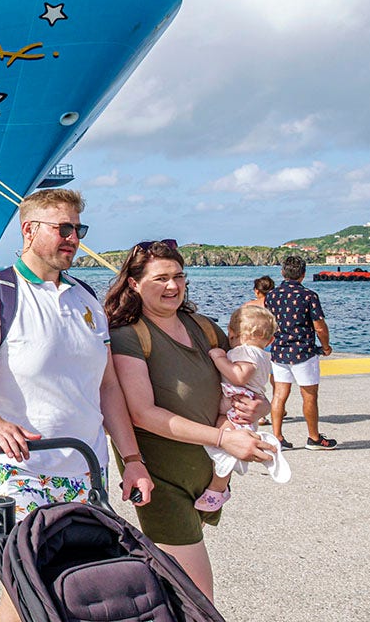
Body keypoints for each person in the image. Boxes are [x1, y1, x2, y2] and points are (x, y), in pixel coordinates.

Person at [0, 190, 152, 622]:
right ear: (29, 230)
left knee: (74, 581)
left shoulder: (86, 299)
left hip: (83, 468)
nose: (73, 238)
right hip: (15, 469)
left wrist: (132, 460)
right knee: (28, 581)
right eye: (63, 228)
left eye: (78, 229)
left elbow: (108, 387)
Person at [107, 239, 273, 601]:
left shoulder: (203, 327)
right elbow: (142, 413)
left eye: (179, 276)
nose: (173, 286)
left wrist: (261, 406)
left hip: (207, 476)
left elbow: (248, 380)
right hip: (163, 480)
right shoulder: (128, 336)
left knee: (173, 592)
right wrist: (224, 439)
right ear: (134, 283)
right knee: (198, 597)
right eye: (160, 278)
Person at [196, 304, 289, 511]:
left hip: (236, 410)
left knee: (225, 449)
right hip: (240, 408)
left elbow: (239, 376)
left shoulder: (246, 351)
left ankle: (217, 489)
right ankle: (219, 486)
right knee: (222, 445)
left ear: (232, 333)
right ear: (270, 340)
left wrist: (219, 358)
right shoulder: (261, 354)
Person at [266, 256, 335, 450]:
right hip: (303, 351)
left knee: (279, 394)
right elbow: (319, 326)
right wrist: (326, 346)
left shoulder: (271, 296)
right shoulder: (309, 296)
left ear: (283, 273)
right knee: (309, 395)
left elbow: (268, 323)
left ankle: (277, 437)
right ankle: (314, 438)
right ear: (303, 275)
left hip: (279, 351)